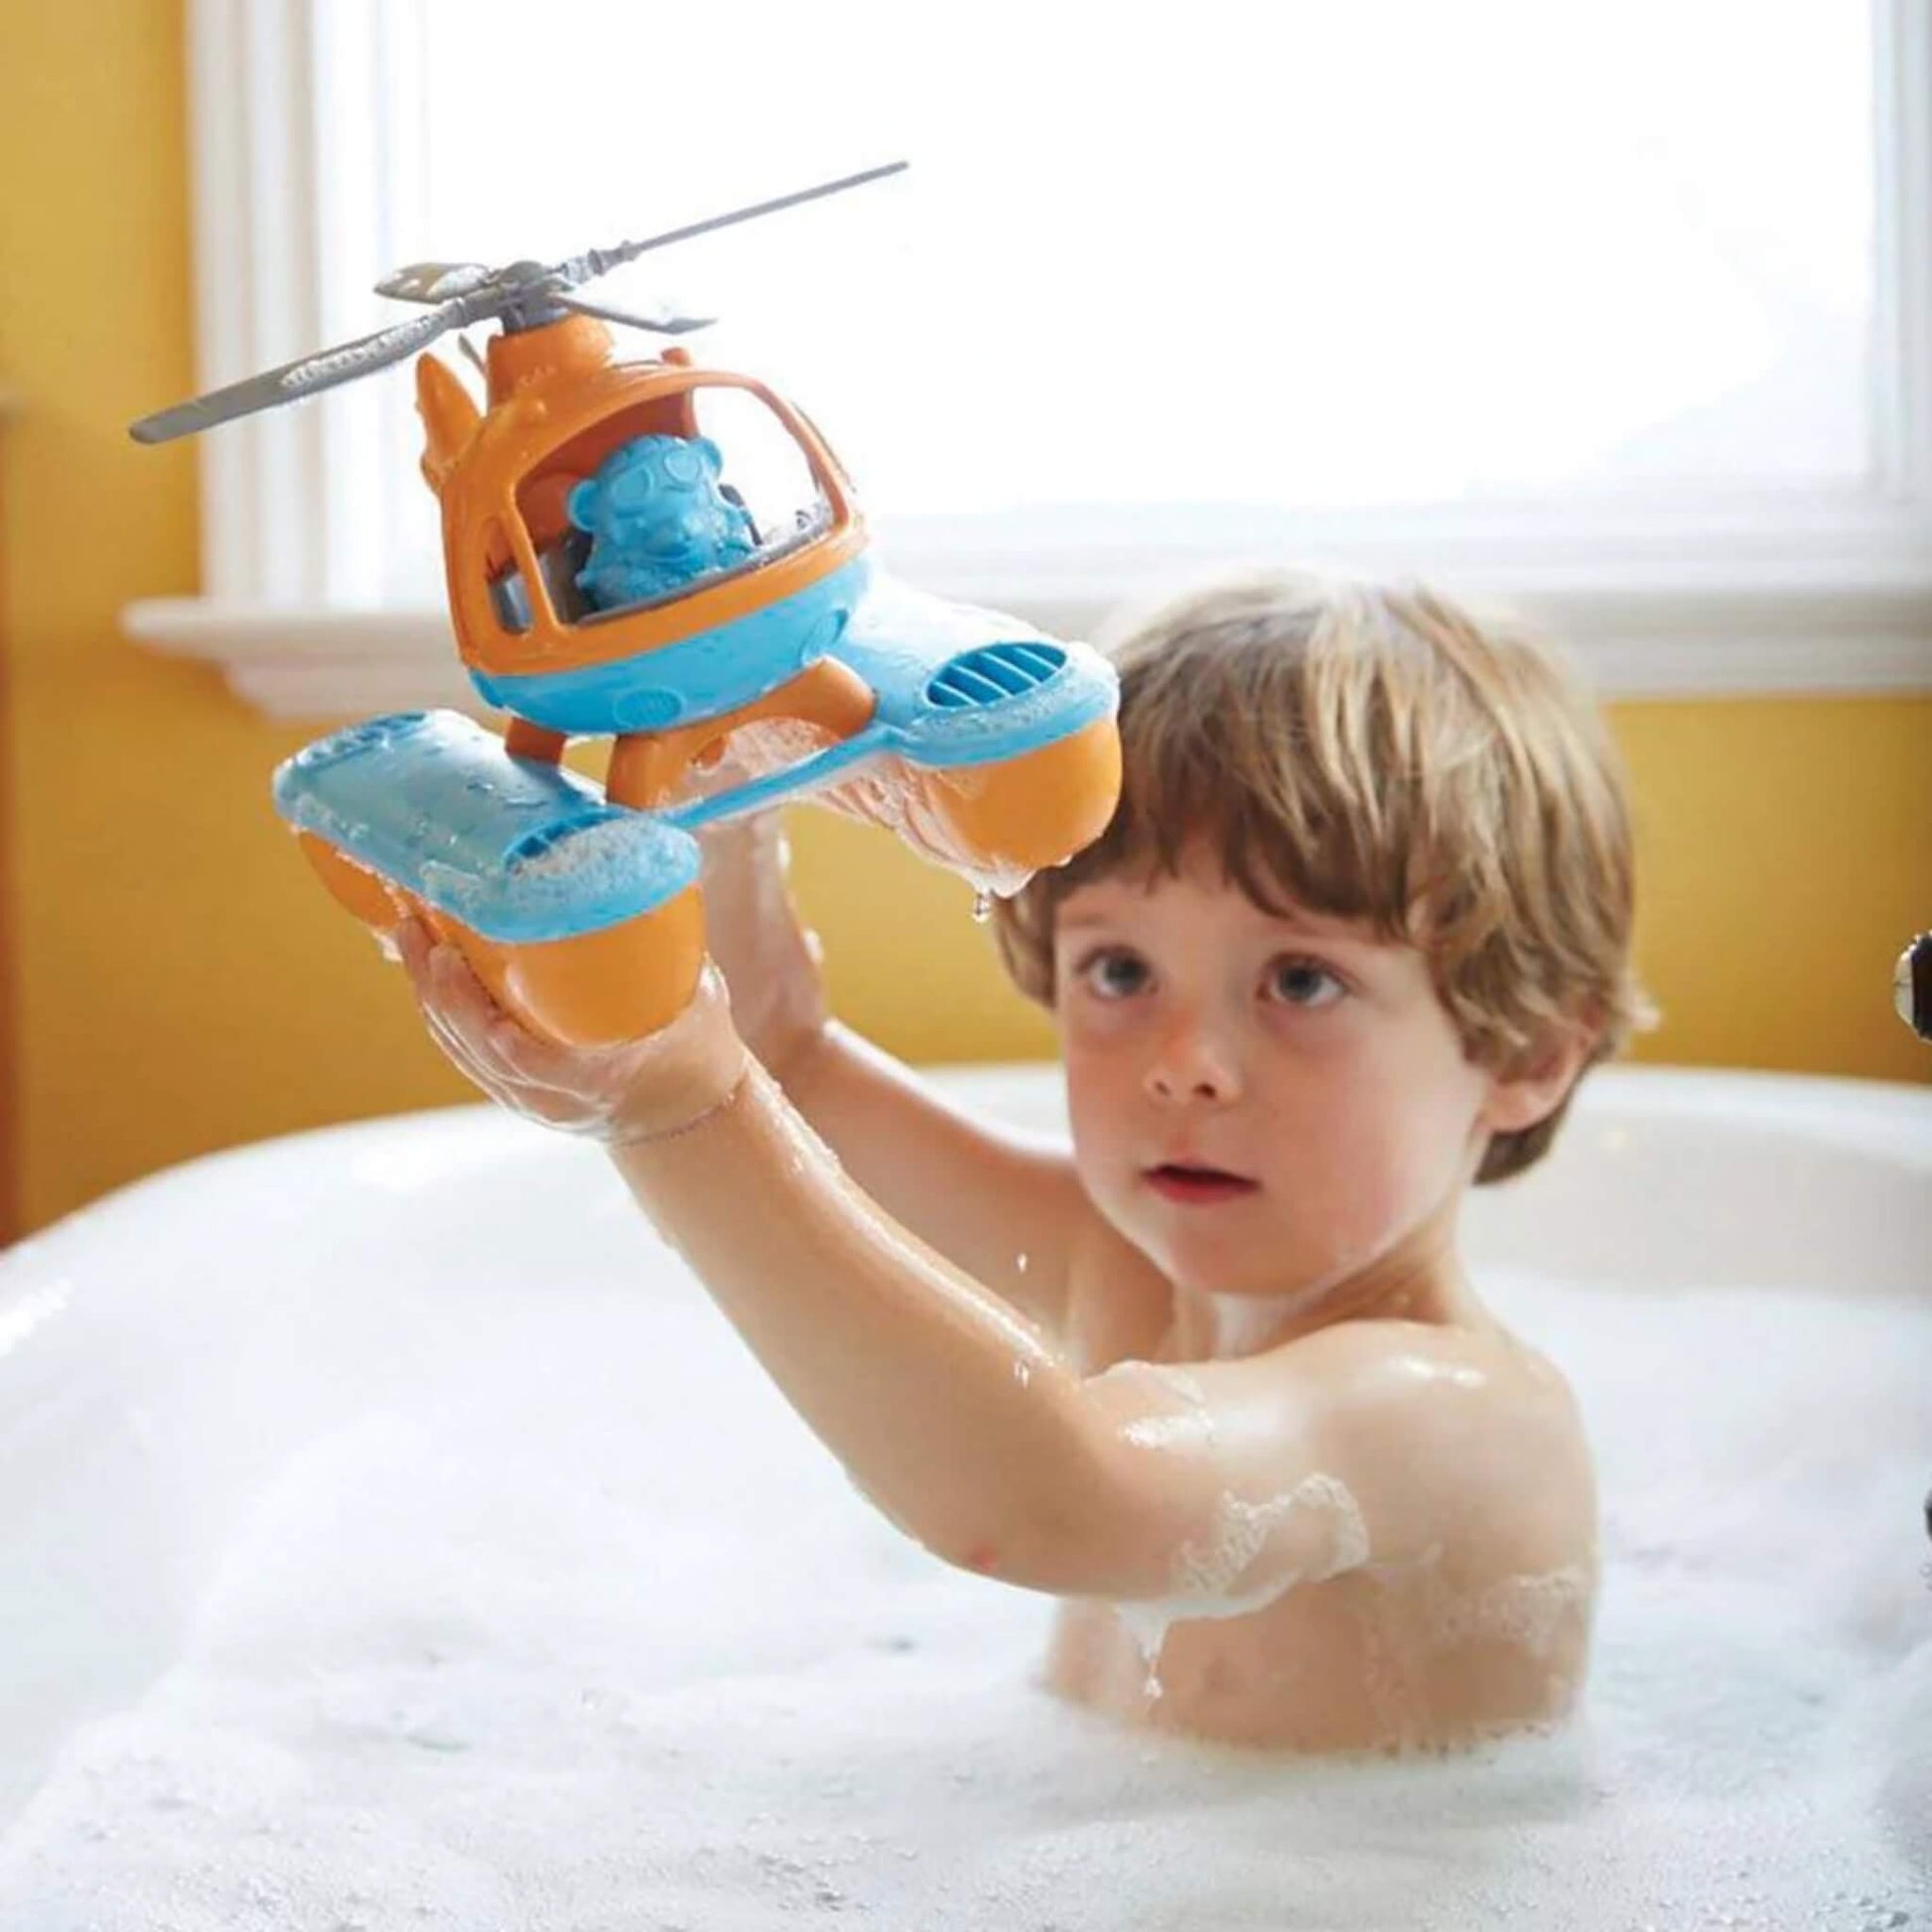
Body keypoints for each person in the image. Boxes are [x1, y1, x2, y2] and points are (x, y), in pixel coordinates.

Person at [391, 565, 1654, 1753]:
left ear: (1526, 1053)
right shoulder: (1123, 1265)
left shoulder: (1450, 1413)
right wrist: (713, 743)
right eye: (1119, 969)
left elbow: (1047, 1498)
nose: (1183, 1061)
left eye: (1300, 979)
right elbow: (779, 1052)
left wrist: (671, 1110)